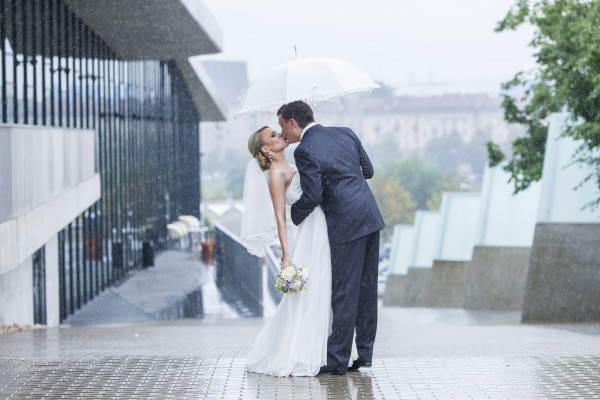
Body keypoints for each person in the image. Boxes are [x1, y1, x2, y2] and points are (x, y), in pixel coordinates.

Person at [278, 100, 384, 376]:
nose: (284, 135)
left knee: (344, 292)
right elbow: (368, 171)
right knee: (366, 289)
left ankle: (336, 362)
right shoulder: (345, 132)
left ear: (292, 122)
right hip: (370, 216)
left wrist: (295, 216)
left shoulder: (305, 149)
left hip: (346, 224)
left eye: (282, 127)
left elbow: (312, 195)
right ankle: (365, 353)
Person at [241, 126, 332, 377]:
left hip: (320, 225)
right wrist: (287, 253)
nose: (280, 134)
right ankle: (300, 351)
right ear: (265, 149)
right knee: (308, 292)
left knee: (321, 286)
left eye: (278, 131)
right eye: (273, 135)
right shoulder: (276, 174)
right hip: (307, 232)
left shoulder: (292, 164)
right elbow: (280, 217)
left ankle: (321, 347)